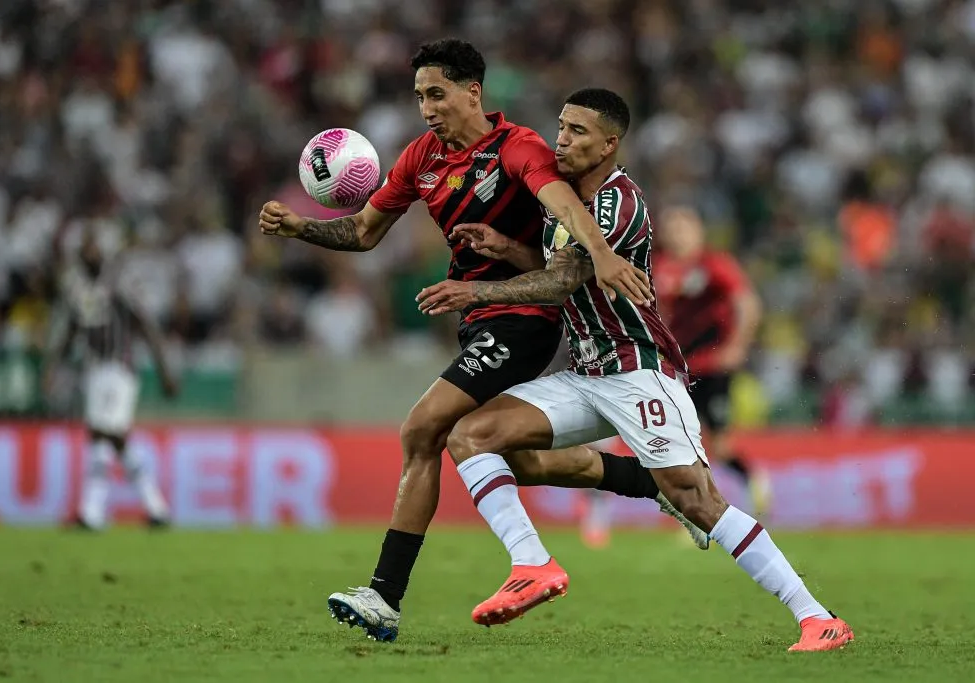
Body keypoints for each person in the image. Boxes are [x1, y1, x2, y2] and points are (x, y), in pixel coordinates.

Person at [259, 38, 701, 643]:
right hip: (479, 318)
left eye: (436, 94)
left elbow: (568, 207)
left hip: (526, 316)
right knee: (516, 457)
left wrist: (600, 256)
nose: (427, 108)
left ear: (473, 91)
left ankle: (387, 594)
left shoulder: (519, 147)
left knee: (423, 428)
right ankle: (654, 483)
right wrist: (301, 227)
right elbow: (363, 233)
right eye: (418, 96)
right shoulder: (420, 158)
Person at [416, 88, 854, 652]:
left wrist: (472, 289)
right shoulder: (567, 199)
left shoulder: (615, 204)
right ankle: (533, 563)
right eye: (561, 126)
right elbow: (555, 268)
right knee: (473, 435)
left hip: (639, 370)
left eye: (577, 131)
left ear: (608, 143)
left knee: (701, 501)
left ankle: (817, 616)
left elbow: (564, 281)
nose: (562, 138)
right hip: (588, 373)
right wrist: (508, 248)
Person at [43, 229, 178, 530]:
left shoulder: (118, 284)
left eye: (95, 249)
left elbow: (145, 325)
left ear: (102, 254)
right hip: (94, 369)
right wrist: (55, 367)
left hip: (119, 367)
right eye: (86, 249)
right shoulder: (78, 290)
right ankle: (155, 509)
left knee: (106, 433)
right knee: (110, 437)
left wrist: (165, 370)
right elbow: (71, 332)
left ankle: (91, 513)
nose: (91, 254)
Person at [652, 206, 766, 512]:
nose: (676, 233)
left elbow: (746, 302)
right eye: (671, 227)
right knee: (680, 439)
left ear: (698, 230)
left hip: (713, 366)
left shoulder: (714, 264)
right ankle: (698, 508)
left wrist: (737, 345)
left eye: (682, 226)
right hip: (678, 368)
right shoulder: (659, 266)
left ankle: (751, 482)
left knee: (719, 444)